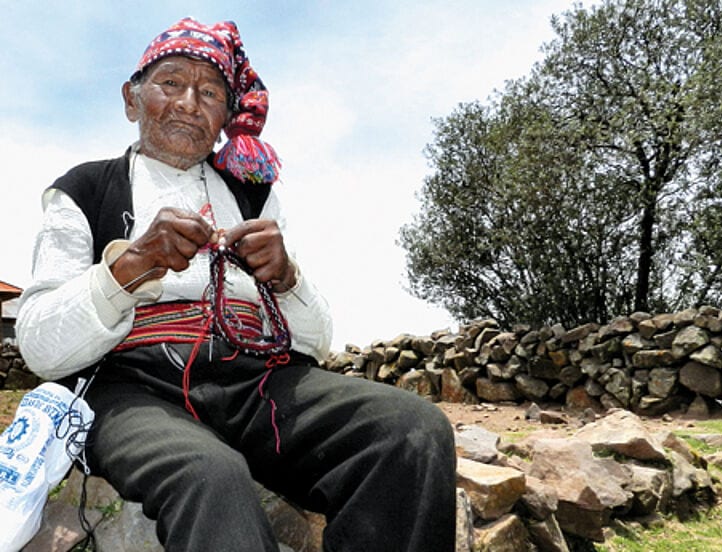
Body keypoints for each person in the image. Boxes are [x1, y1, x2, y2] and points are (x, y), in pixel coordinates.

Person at [16, 17, 456, 552]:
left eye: (209, 92)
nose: (188, 103)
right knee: (210, 474)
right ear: (132, 99)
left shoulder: (251, 195)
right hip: (132, 386)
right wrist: (130, 267)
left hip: (255, 381)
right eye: (170, 83)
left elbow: (316, 344)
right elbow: (39, 345)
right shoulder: (84, 190)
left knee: (411, 430)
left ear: (226, 117)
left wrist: (287, 277)